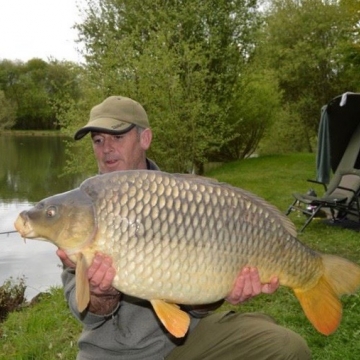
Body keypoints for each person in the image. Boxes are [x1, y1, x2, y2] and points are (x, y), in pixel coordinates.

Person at [57, 96, 311, 360]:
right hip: (113, 354)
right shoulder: (81, 211)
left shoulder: (184, 199)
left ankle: (311, 274)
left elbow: (198, 304)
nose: (106, 148)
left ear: (145, 139)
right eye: (98, 140)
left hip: (183, 342)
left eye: (117, 137)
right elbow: (85, 312)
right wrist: (101, 292)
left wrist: (225, 288)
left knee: (288, 347)